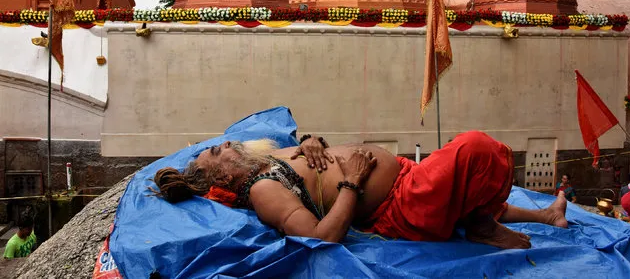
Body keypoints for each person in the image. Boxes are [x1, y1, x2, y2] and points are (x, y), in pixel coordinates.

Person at [153, 131, 569, 249]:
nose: (226, 143)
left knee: (467, 189)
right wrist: (351, 180)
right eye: (217, 152)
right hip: (402, 203)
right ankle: (480, 228)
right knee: (477, 148)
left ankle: (546, 215)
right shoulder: (262, 190)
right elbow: (321, 236)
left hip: (407, 175)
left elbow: (306, 151)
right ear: (224, 179)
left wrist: (311, 142)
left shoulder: (264, 158)